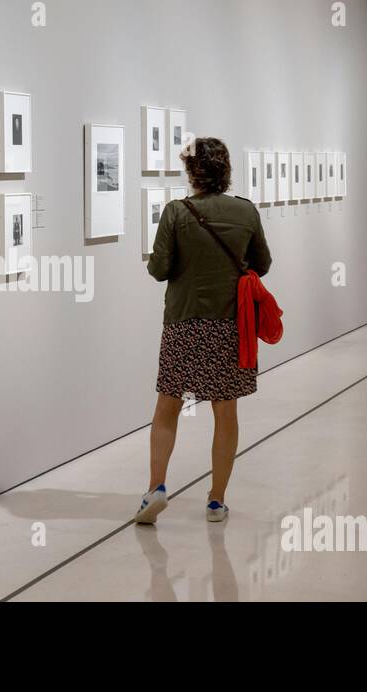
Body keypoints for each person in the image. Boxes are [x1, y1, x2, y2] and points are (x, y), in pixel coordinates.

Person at [136, 137, 272, 525]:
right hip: (230, 324)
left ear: (192, 172)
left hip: (183, 322)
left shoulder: (177, 212)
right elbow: (262, 262)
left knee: (168, 404)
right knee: (225, 410)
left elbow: (158, 270)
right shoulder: (245, 211)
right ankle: (216, 500)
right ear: (225, 170)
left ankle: (156, 488)